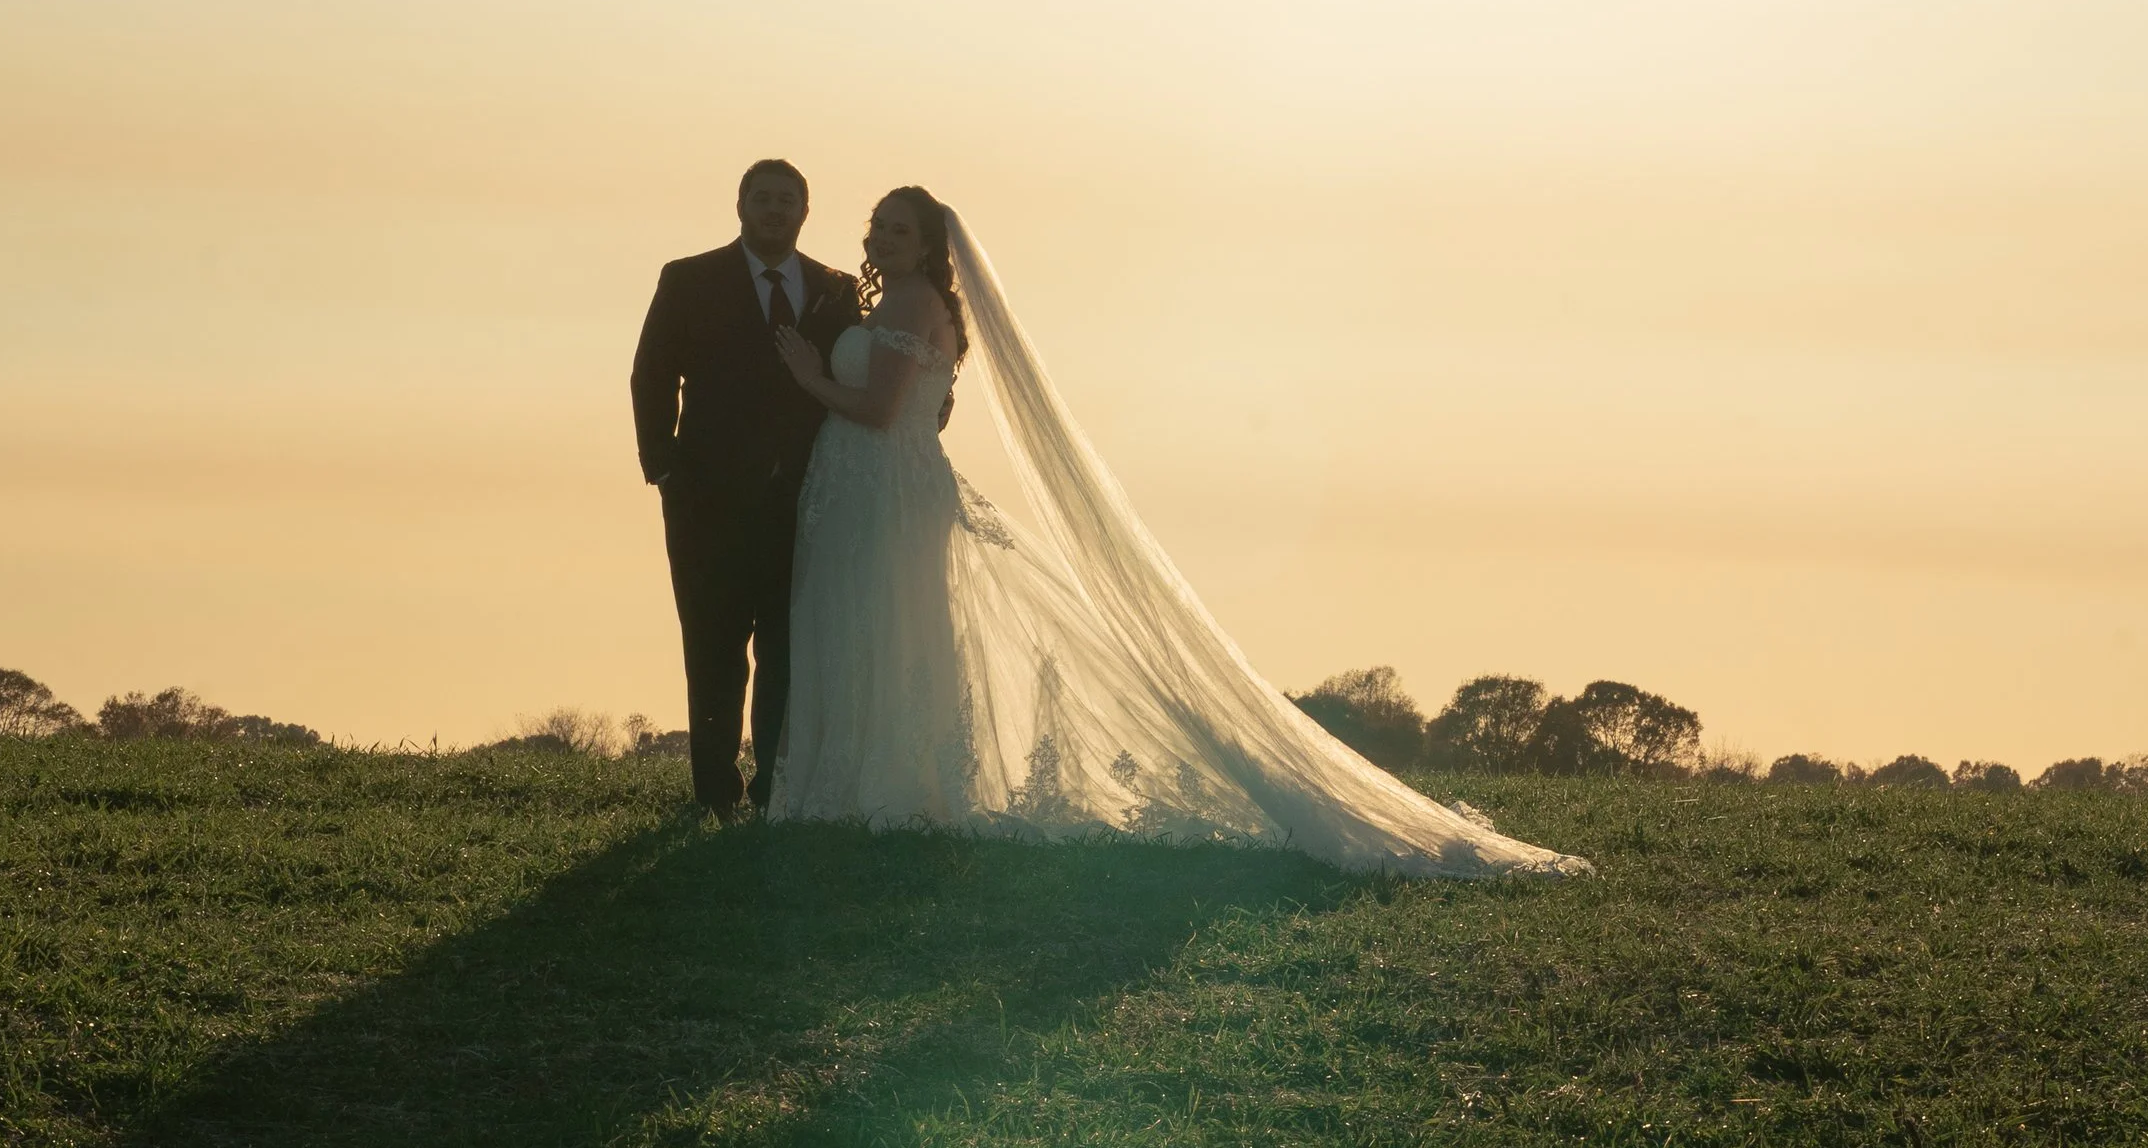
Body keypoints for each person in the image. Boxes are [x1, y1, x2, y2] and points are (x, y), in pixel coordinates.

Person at [767, 187, 1587, 879]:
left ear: (928, 243)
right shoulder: (901, 302)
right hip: (869, 489)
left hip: (881, 487)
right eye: (875, 224)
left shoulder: (911, 302)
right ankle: (877, 792)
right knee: (881, 629)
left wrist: (807, 377)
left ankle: (878, 795)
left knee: (881, 627)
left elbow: (880, 410)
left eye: (896, 229)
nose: (879, 236)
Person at [629, 158, 861, 817]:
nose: (774, 209)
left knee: (788, 655)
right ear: (740, 206)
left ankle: (773, 792)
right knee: (712, 650)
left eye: (787, 200)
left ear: (805, 213)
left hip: (802, 504)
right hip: (706, 503)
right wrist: (663, 465)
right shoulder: (689, 280)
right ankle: (714, 795)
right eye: (762, 198)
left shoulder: (835, 290)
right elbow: (651, 376)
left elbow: (860, 371)